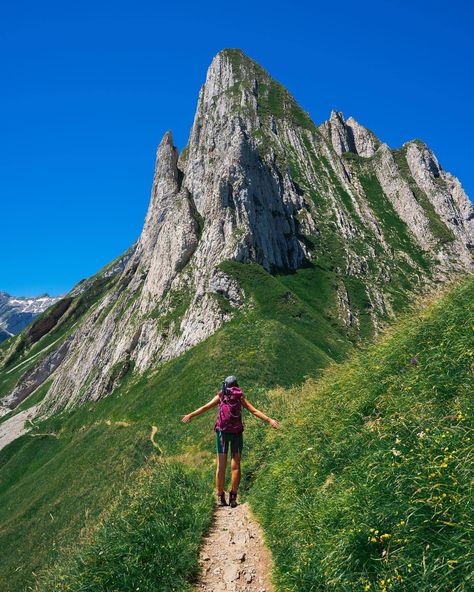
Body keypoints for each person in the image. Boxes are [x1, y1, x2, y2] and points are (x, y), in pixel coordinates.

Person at [181, 375, 279, 507]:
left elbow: (205, 407)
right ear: (236, 385)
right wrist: (269, 420)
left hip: (222, 433)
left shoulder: (221, 395)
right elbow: (254, 410)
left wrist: (190, 415)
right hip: (237, 433)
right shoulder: (240, 396)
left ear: (225, 385)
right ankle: (233, 497)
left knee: (221, 466)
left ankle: (220, 497)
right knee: (236, 465)